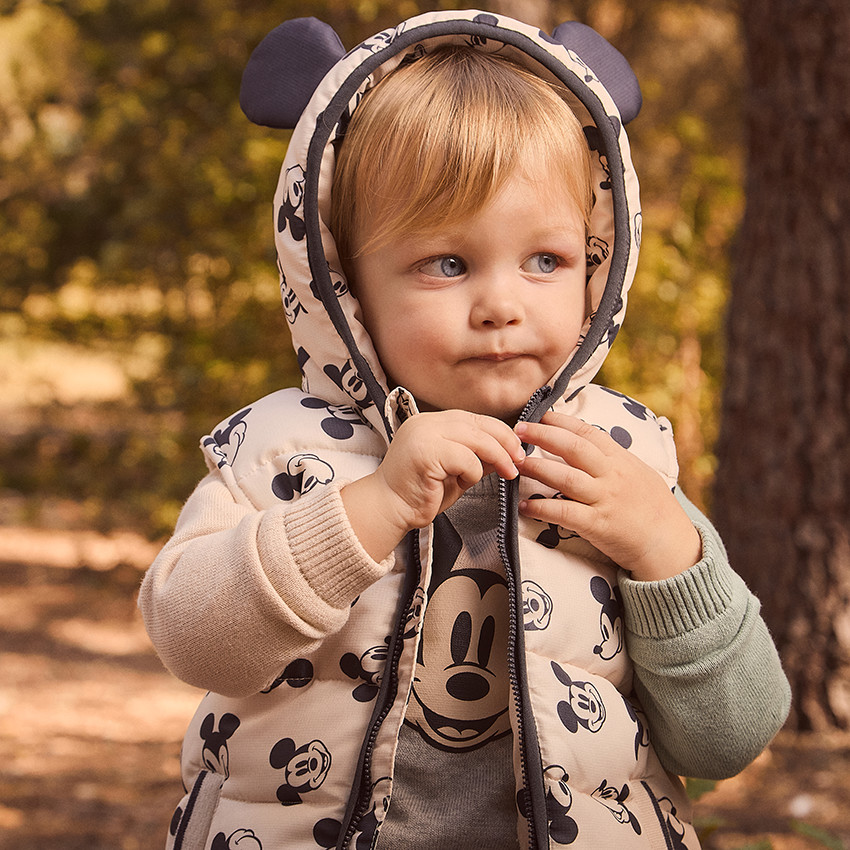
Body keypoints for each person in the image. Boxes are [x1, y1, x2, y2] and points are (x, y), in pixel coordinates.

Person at [139, 11, 790, 850]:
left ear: (598, 262)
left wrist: (668, 554)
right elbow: (194, 639)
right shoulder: (283, 454)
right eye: (447, 263)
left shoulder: (622, 467)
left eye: (546, 260)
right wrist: (367, 508)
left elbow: (730, 739)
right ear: (342, 283)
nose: (501, 304)